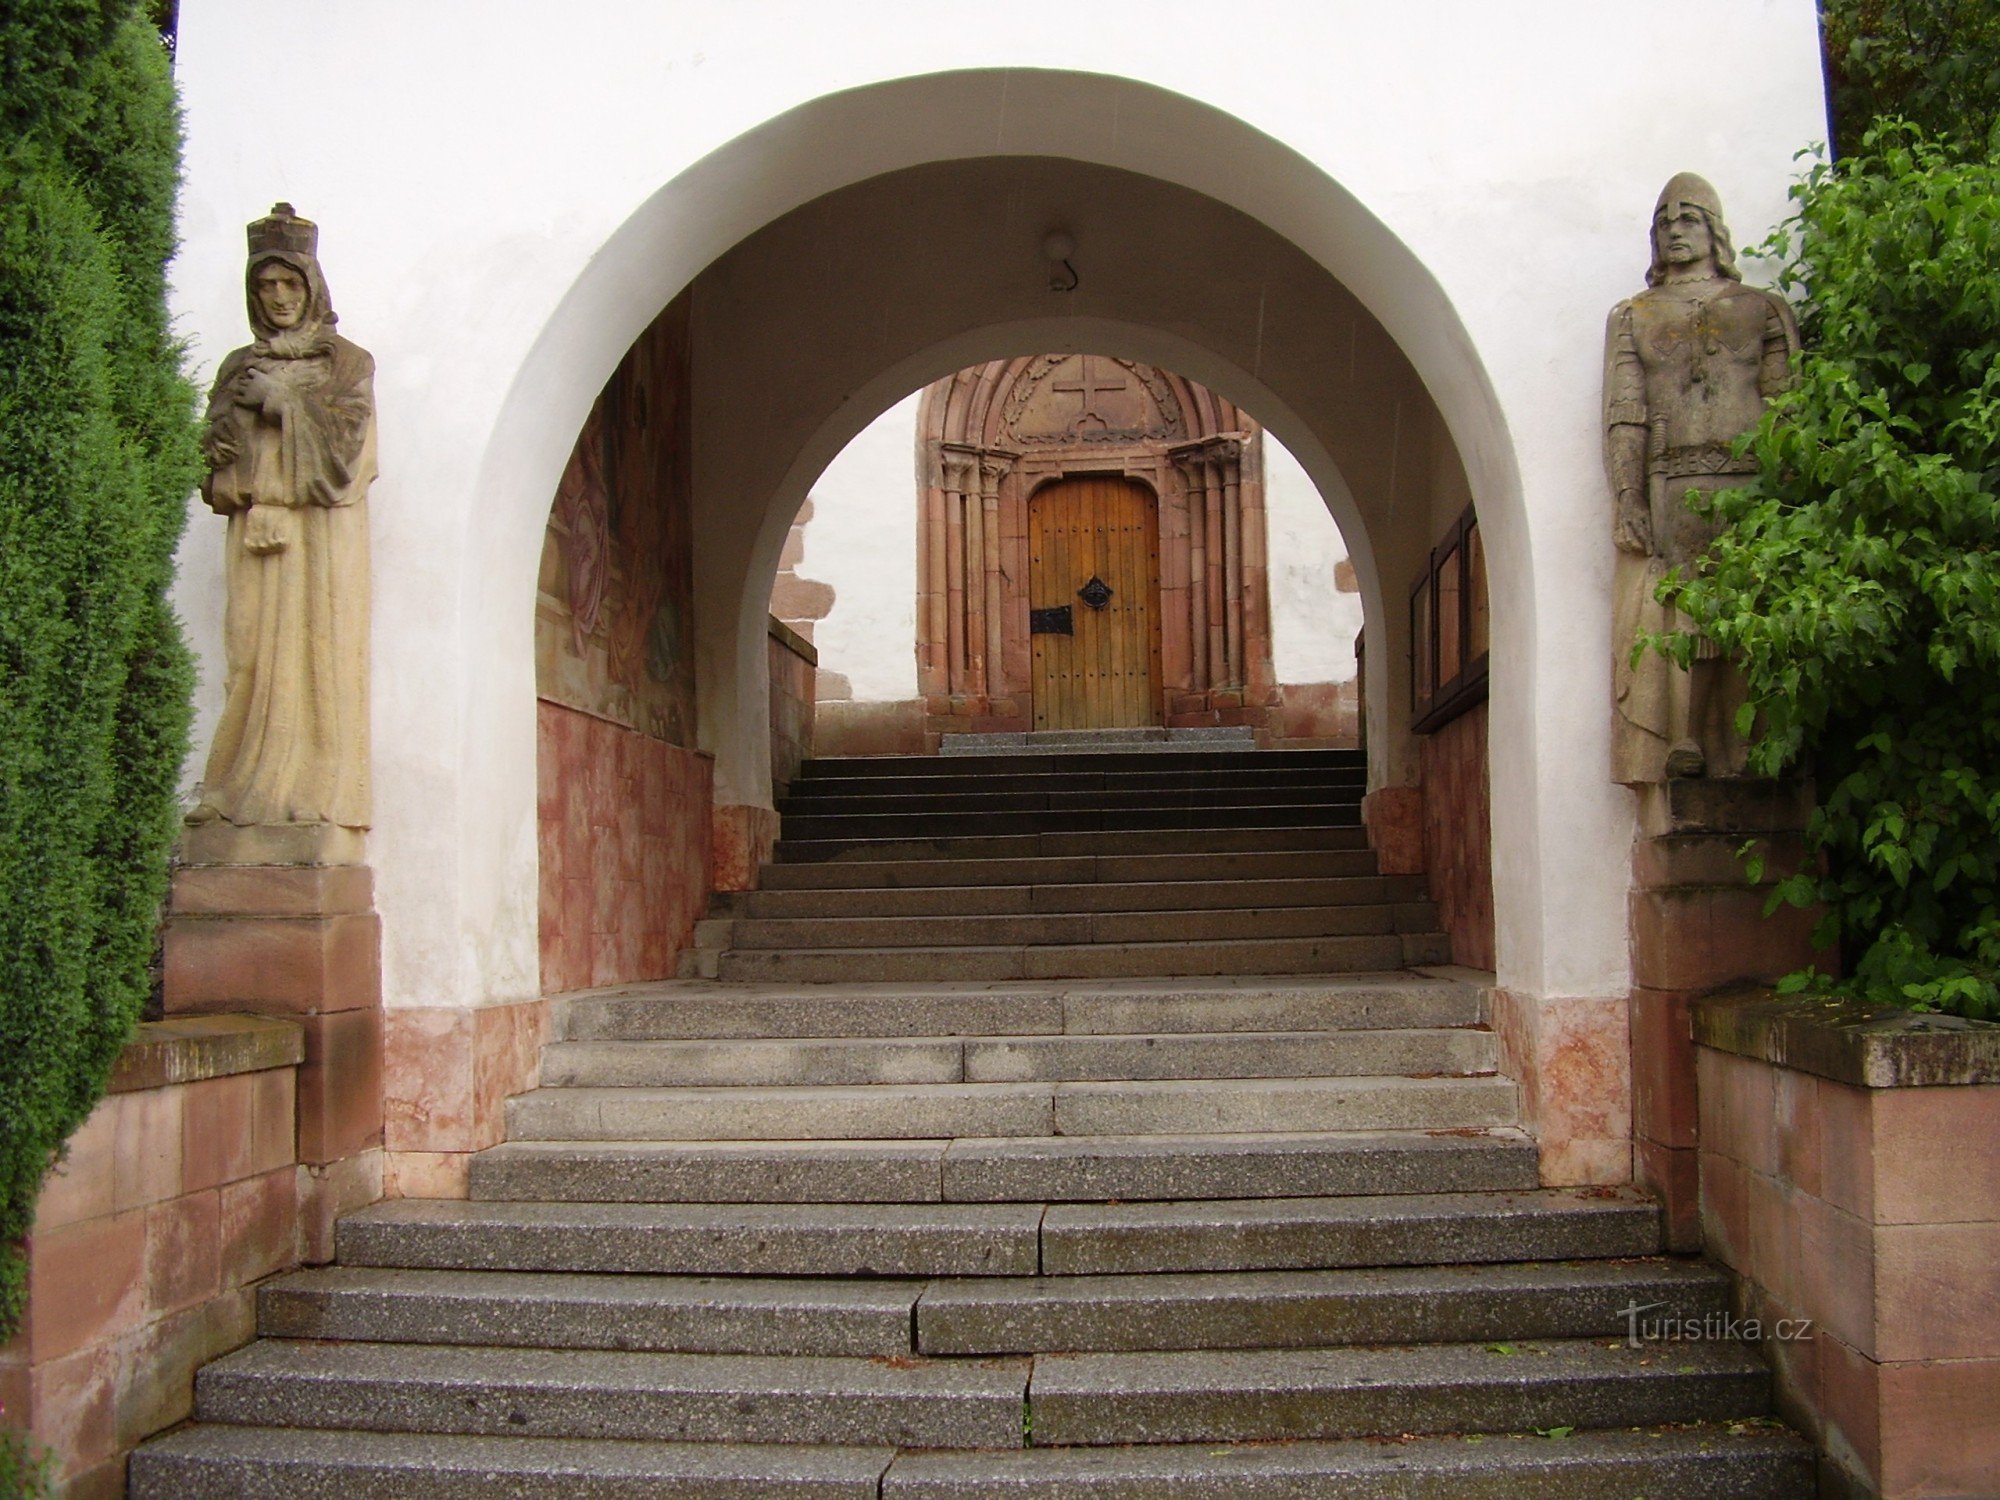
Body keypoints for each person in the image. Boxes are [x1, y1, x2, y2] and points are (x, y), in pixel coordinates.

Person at [188, 204, 377, 830]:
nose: (277, 297)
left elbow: (348, 455)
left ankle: (319, 794)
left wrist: (281, 403)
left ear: (311, 286)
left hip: (320, 534)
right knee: (249, 655)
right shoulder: (238, 367)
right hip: (255, 530)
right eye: (265, 286)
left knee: (318, 653)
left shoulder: (346, 363)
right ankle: (235, 788)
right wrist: (231, 432)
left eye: (289, 284)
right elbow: (213, 465)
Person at [1604, 173, 1798, 782]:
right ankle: (1684, 740)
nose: (1674, 232)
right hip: (1672, 481)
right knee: (1680, 610)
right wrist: (1628, 494)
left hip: (1750, 479)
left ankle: (1746, 744)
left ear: (1713, 228)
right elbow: (1625, 415)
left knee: (1749, 605)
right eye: (1664, 223)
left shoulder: (1763, 309)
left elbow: (1786, 403)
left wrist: (1791, 485)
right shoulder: (1634, 316)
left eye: (1687, 220)